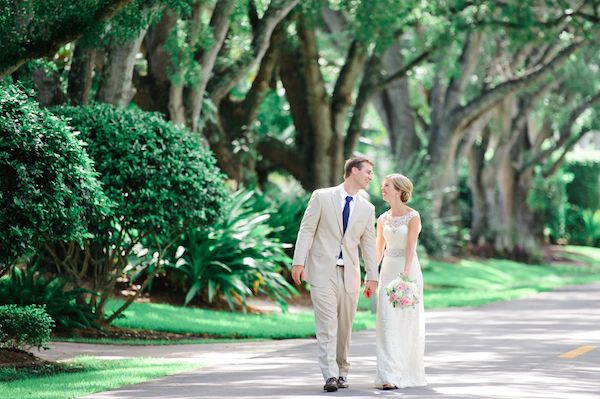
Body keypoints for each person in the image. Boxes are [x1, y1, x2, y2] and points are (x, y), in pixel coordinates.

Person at [291, 156, 379, 392]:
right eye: (368, 172)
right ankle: (329, 375)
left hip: (350, 273)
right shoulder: (321, 197)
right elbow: (306, 229)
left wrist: (372, 276)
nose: (371, 176)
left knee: (345, 326)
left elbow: (369, 245)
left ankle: (342, 371)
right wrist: (298, 262)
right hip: (322, 271)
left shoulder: (367, 209)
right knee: (327, 324)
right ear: (353, 171)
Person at [374, 173, 427, 389]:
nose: (382, 189)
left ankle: (405, 371)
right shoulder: (381, 219)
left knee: (406, 322)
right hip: (387, 270)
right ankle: (388, 375)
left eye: (386, 186)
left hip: (408, 271)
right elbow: (379, 249)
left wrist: (405, 275)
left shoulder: (413, 216)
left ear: (398, 190)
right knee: (386, 321)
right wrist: (370, 275)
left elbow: (410, 248)